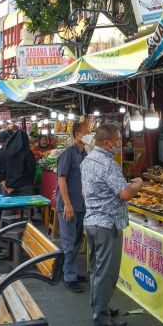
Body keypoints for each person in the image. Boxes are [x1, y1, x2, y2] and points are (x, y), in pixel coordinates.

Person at [81, 124, 144, 326]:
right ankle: (101, 319)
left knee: (97, 271)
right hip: (107, 225)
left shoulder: (88, 160)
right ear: (107, 142)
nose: (120, 143)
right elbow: (124, 194)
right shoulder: (108, 164)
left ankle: (101, 307)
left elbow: (86, 192)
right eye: (118, 140)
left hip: (92, 221)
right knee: (106, 274)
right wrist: (137, 185)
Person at [56, 122, 88, 293]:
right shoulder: (68, 154)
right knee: (69, 243)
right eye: (86, 132)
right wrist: (67, 204)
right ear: (77, 134)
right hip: (69, 205)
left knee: (76, 241)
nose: (89, 135)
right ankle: (69, 277)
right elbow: (61, 179)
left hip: (81, 205)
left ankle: (69, 271)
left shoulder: (85, 155)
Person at [0, 129, 36, 197]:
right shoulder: (28, 152)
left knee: (9, 207)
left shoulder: (3, 151)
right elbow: (31, 170)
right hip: (25, 187)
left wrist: (2, 181)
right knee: (25, 207)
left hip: (8, 187)